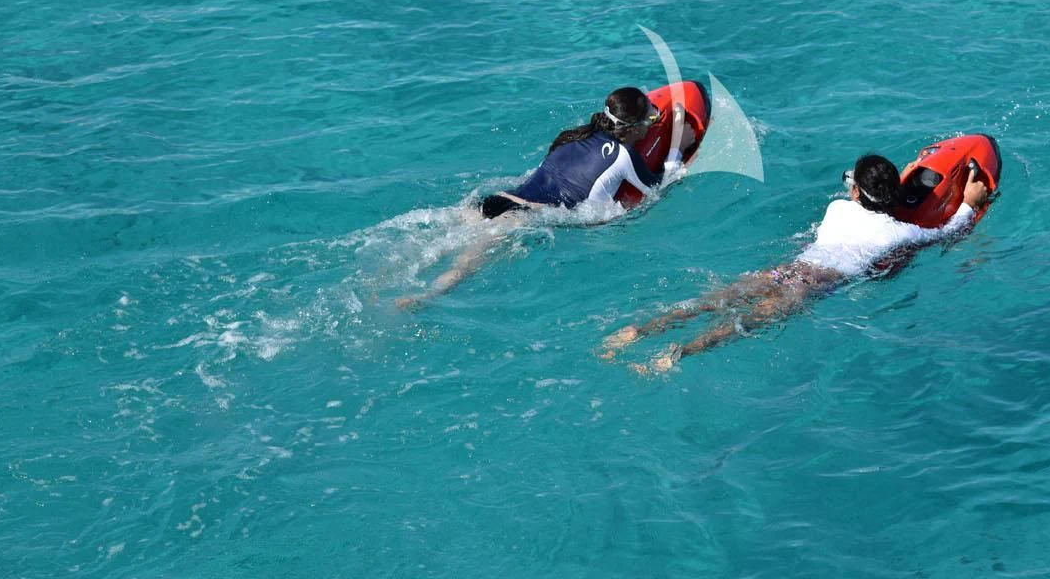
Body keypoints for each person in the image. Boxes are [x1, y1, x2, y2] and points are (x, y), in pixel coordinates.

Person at [600, 153, 990, 373]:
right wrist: (970, 202)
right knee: (743, 325)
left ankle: (638, 331)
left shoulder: (837, 208)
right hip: (816, 285)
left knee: (711, 302)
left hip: (789, 269)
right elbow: (945, 233)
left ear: (855, 191)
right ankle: (675, 356)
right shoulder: (900, 234)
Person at [396, 87, 688, 310]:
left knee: (424, 249)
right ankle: (427, 296)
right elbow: (660, 187)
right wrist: (680, 142)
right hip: (520, 217)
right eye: (651, 118)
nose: (653, 123)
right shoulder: (624, 156)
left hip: (495, 200)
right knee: (463, 267)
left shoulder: (576, 135)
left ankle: (386, 282)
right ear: (635, 128)